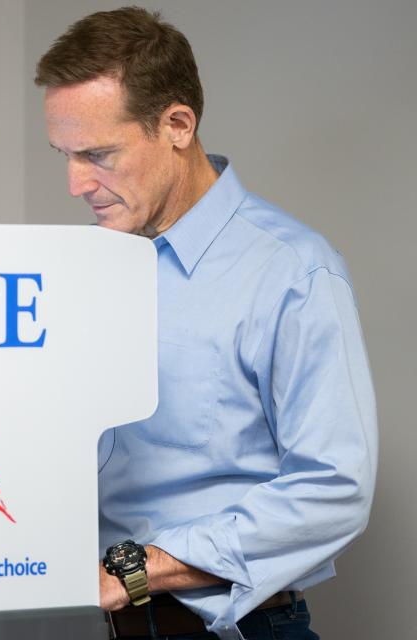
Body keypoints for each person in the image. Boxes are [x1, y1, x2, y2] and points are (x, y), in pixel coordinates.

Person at [35, 7, 377, 640]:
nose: (75, 183)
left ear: (177, 124)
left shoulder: (292, 271)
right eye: (63, 154)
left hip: (230, 628)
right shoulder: (81, 265)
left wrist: (139, 571)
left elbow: (335, 488)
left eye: (97, 154)